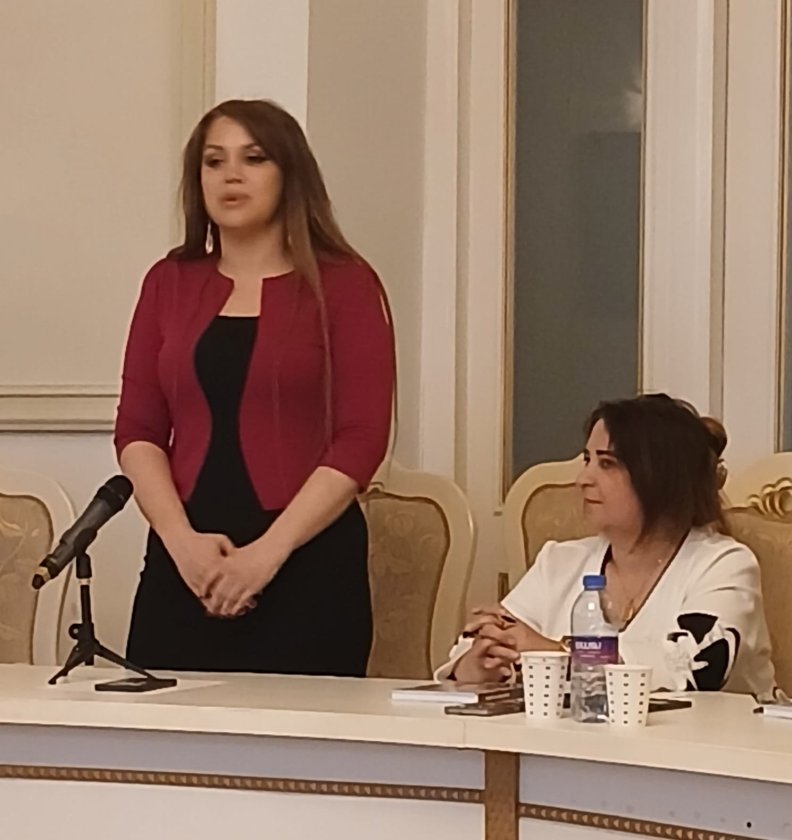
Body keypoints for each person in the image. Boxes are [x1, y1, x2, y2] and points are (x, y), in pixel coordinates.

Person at [114, 99, 395, 676]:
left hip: (307, 563)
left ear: (290, 174)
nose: (231, 175)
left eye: (254, 158)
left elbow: (361, 438)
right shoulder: (168, 282)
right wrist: (181, 544)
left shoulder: (345, 283)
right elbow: (138, 429)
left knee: (300, 734)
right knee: (163, 729)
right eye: (214, 161)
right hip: (184, 562)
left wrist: (266, 555)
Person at [441, 394, 776, 696]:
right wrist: (478, 664)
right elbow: (484, 643)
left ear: (660, 477)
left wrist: (549, 652)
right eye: (587, 460)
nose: (583, 479)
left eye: (607, 464)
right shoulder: (558, 561)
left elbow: (694, 664)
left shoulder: (725, 564)